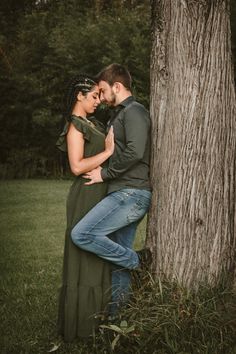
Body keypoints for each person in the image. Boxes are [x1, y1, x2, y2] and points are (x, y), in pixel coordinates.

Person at [71, 63, 152, 316]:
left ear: (117, 86)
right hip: (123, 193)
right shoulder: (119, 114)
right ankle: (119, 320)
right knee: (117, 261)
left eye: (103, 90)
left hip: (131, 193)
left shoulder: (135, 111)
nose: (102, 97)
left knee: (82, 234)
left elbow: (135, 152)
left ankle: (139, 263)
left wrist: (105, 173)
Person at [56, 75, 115, 341]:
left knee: (98, 253)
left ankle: (99, 322)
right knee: (84, 254)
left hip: (100, 192)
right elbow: (77, 166)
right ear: (79, 95)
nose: (97, 102)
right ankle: (80, 327)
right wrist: (107, 153)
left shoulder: (91, 122)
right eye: (93, 96)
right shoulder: (75, 126)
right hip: (85, 196)